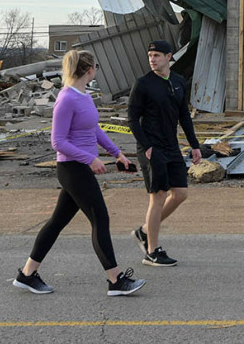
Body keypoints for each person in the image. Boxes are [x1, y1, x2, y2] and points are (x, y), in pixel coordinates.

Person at [13, 49, 146, 297]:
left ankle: (27, 274)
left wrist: (117, 153)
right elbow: (58, 141)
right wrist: (90, 158)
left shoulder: (84, 95)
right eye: (96, 67)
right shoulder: (66, 99)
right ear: (89, 70)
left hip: (81, 167)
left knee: (56, 223)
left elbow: (93, 129)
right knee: (100, 219)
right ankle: (115, 279)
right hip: (72, 168)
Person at [127, 39, 202, 267]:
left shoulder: (178, 82)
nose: (152, 59)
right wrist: (147, 147)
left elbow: (184, 116)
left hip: (171, 146)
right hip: (151, 148)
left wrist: (195, 145)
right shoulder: (143, 84)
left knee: (180, 194)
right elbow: (132, 119)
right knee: (158, 196)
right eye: (150, 55)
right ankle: (152, 251)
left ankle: (144, 231)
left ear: (169, 57)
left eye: (157, 55)